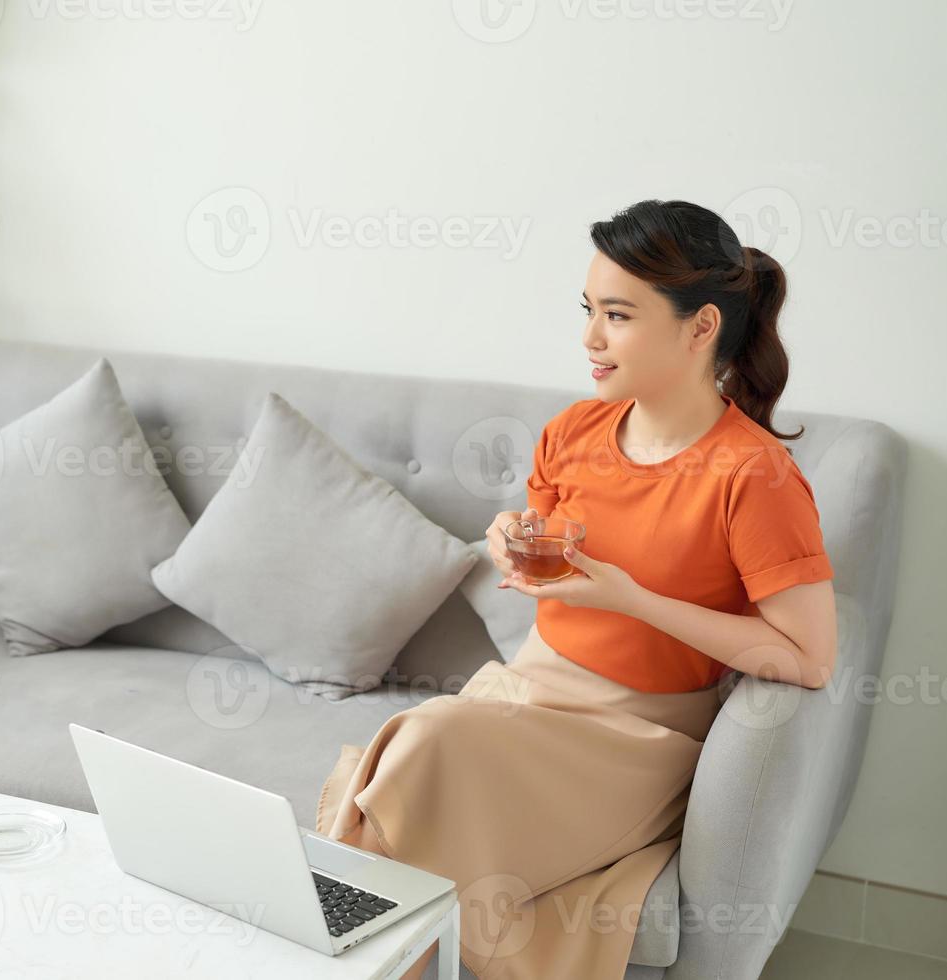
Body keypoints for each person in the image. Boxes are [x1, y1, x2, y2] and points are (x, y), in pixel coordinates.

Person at [313, 199, 838, 979]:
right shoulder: (575, 431)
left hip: (633, 744)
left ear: (700, 329)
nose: (590, 338)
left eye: (618, 315)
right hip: (524, 696)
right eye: (588, 310)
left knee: (423, 743)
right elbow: (545, 568)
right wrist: (511, 541)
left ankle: (344, 955)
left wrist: (633, 600)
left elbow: (808, 658)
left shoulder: (755, 475)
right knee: (414, 775)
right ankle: (355, 958)